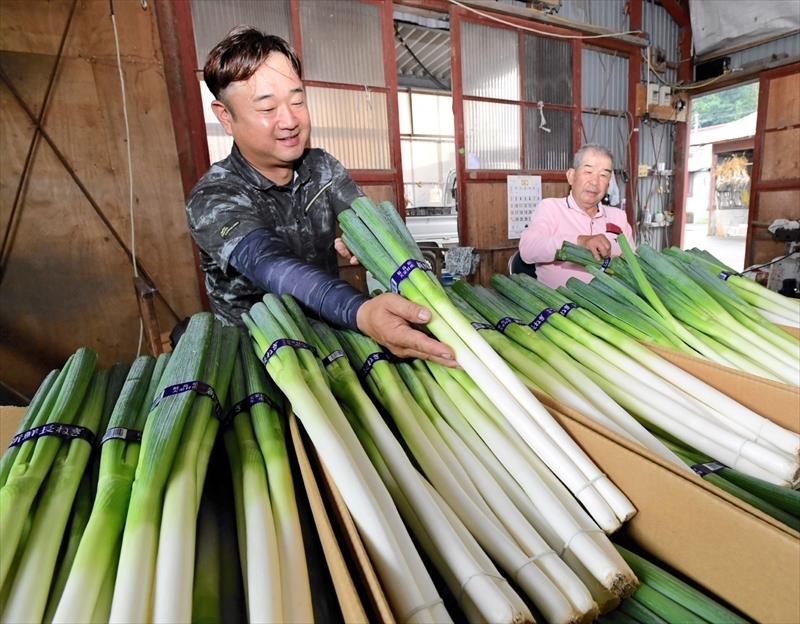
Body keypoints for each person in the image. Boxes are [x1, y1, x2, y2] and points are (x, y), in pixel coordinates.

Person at [185, 26, 455, 366]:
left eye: (297, 101)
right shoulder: (214, 195)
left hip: (332, 340)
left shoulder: (322, 167)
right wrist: (361, 311)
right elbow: (271, 265)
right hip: (258, 359)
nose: (289, 121)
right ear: (226, 116)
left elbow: (365, 218)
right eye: (267, 109)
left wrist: (367, 242)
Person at [518, 144, 634, 289]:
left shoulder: (618, 217)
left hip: (610, 305)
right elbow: (528, 249)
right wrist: (580, 241)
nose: (595, 182)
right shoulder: (551, 208)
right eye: (588, 171)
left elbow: (632, 261)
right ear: (571, 176)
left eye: (603, 175)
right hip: (560, 305)